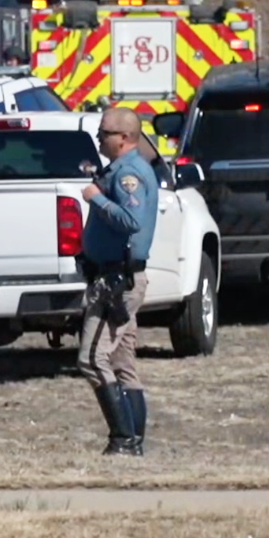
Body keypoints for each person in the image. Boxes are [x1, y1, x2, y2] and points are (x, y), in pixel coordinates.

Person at [77, 107, 158, 456]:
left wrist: (96, 199)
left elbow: (131, 221)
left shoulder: (129, 174)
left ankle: (123, 439)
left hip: (116, 279)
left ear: (124, 138)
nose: (99, 138)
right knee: (123, 364)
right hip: (113, 275)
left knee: (92, 359)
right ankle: (134, 442)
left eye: (104, 133)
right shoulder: (119, 170)